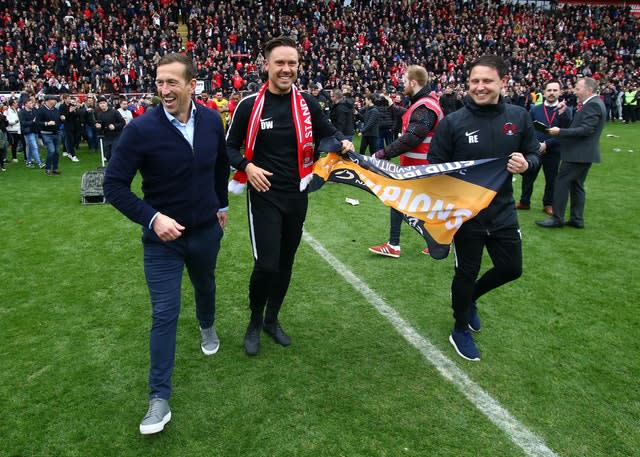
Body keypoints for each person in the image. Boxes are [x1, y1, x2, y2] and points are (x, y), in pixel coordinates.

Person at [103, 53, 229, 435]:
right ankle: (159, 398)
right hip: (162, 241)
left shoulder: (211, 119)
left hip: (206, 229)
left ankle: (207, 325)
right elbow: (113, 186)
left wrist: (221, 203)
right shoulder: (141, 129)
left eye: (172, 82)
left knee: (205, 284)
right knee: (164, 313)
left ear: (193, 84)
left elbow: (220, 164)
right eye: (160, 82)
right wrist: (153, 219)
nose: (164, 89)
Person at [226, 36, 352, 356]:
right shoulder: (249, 105)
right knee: (266, 264)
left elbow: (328, 132)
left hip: (297, 194)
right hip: (264, 194)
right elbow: (226, 147)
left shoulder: (307, 103)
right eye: (279, 62)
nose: (286, 69)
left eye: (291, 63)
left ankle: (272, 319)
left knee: (285, 263)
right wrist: (247, 167)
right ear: (266, 65)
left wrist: (343, 142)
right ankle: (254, 320)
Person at [428, 55, 540, 362]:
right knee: (466, 272)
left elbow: (533, 154)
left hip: (502, 211)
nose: (480, 87)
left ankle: (470, 299)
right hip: (467, 216)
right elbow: (434, 167)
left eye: (487, 81)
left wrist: (527, 163)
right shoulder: (453, 122)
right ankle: (459, 327)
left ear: (502, 82)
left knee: (511, 268)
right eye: (474, 81)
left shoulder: (519, 116)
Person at [368, 65, 444, 258]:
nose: (401, 84)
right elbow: (412, 119)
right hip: (420, 166)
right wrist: (392, 106)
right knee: (417, 205)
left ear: (413, 82)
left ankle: (395, 245)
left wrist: (382, 153)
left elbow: (413, 136)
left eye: (403, 81)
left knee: (400, 201)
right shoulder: (423, 103)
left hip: (421, 167)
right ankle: (439, 242)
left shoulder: (425, 107)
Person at [535, 77, 606, 229]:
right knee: (576, 185)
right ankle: (576, 219)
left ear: (589, 90)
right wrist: (564, 114)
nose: (575, 91)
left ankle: (557, 218)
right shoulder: (591, 104)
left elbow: (586, 129)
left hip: (578, 154)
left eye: (578, 88)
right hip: (583, 153)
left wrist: (560, 131)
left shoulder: (593, 105)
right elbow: (579, 125)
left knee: (561, 183)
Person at [516, 80, 572, 216]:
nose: (552, 93)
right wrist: (536, 145)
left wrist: (547, 144)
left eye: (555, 90)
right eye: (549, 90)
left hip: (554, 150)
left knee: (551, 178)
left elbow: (565, 131)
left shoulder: (565, 110)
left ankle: (548, 204)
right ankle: (524, 201)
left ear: (560, 92)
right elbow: (528, 129)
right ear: (544, 92)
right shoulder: (535, 109)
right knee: (528, 175)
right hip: (535, 149)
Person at [36, 94, 62, 176]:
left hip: (57, 133)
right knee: (51, 150)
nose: (55, 101)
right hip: (46, 134)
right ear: (48, 101)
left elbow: (58, 121)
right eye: (53, 99)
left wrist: (62, 119)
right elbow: (37, 122)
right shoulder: (41, 110)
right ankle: (47, 168)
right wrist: (47, 123)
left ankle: (55, 168)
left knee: (57, 152)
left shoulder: (56, 110)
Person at [94, 96, 125, 162]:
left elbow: (123, 122)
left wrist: (114, 126)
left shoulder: (114, 112)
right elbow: (101, 127)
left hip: (116, 136)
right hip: (106, 137)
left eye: (103, 103)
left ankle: (116, 169)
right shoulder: (99, 114)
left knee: (114, 155)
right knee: (107, 156)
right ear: (99, 105)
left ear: (106, 103)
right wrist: (98, 126)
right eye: (100, 103)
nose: (102, 105)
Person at [19, 97, 44, 168]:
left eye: (32, 103)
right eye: (30, 103)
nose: (32, 104)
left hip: (35, 131)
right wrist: (32, 121)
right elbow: (23, 123)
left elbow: (38, 118)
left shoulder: (34, 110)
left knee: (31, 147)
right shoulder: (22, 112)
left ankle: (28, 162)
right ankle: (39, 163)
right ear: (25, 104)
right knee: (35, 147)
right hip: (28, 132)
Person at [59, 96, 82, 162]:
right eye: (68, 98)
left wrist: (75, 110)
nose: (69, 100)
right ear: (64, 99)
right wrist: (70, 111)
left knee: (74, 141)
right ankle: (73, 155)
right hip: (68, 127)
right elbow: (64, 117)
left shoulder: (72, 105)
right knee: (70, 141)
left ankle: (69, 152)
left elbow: (77, 115)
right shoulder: (62, 106)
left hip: (75, 126)